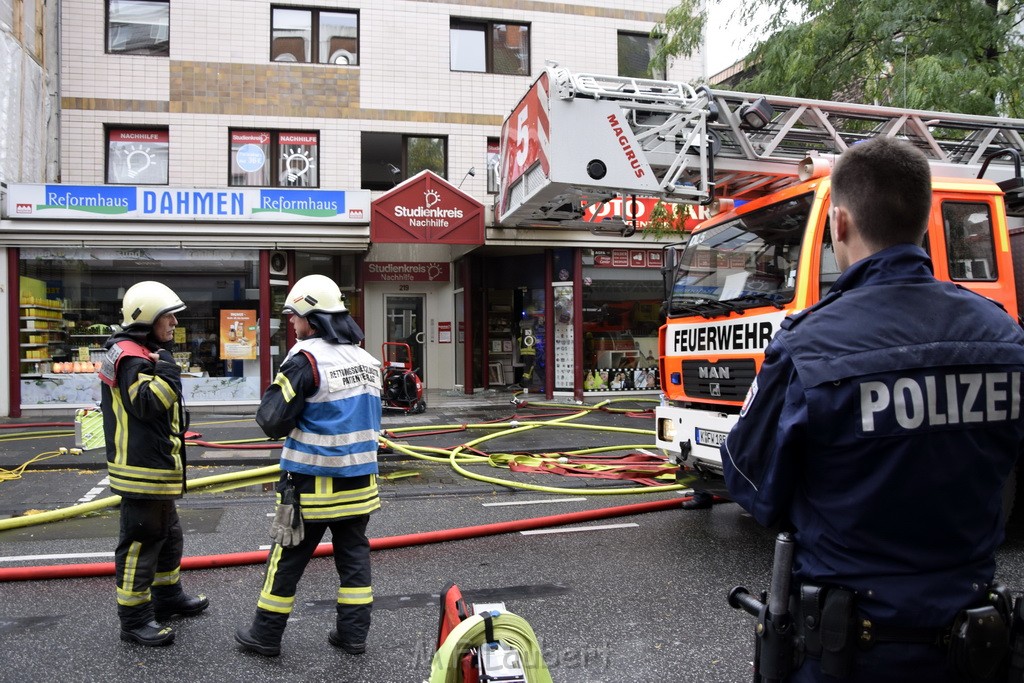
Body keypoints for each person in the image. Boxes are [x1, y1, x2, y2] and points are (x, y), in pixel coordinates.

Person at [721, 137, 1024, 681]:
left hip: (849, 652)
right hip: (976, 649)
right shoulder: (1004, 337)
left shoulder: (806, 345)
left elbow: (750, 486)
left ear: (839, 224)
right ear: (926, 217)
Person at [235, 273, 382, 657]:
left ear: (312, 318)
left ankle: (265, 635)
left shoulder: (305, 361)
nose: (292, 323)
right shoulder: (368, 361)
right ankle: (353, 636)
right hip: (361, 485)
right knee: (354, 563)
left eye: (295, 316)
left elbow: (271, 419)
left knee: (286, 560)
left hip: (311, 486)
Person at [99, 281, 208, 647]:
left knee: (168, 538)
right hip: (141, 470)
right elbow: (144, 403)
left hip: (156, 467)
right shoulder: (131, 356)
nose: (175, 321)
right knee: (140, 545)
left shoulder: (143, 351)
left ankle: (167, 597)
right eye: (168, 315)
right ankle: (134, 619)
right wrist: (169, 374)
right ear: (147, 318)